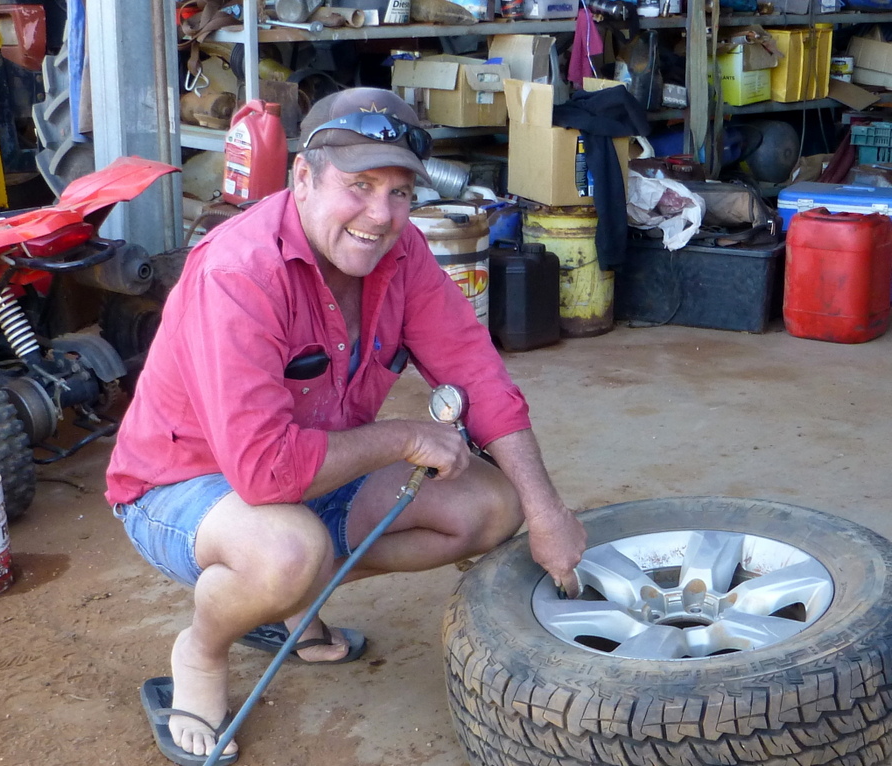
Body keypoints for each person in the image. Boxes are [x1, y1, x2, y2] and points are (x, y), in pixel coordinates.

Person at [105, 86, 587, 765]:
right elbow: (264, 472)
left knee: (488, 507)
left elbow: (479, 379)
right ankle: (203, 652)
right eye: (358, 186)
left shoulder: (405, 253)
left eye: (398, 193)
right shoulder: (240, 272)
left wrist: (547, 511)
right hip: (181, 485)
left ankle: (289, 597)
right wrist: (406, 437)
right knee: (285, 552)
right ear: (304, 177)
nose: (380, 215)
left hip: (314, 468)